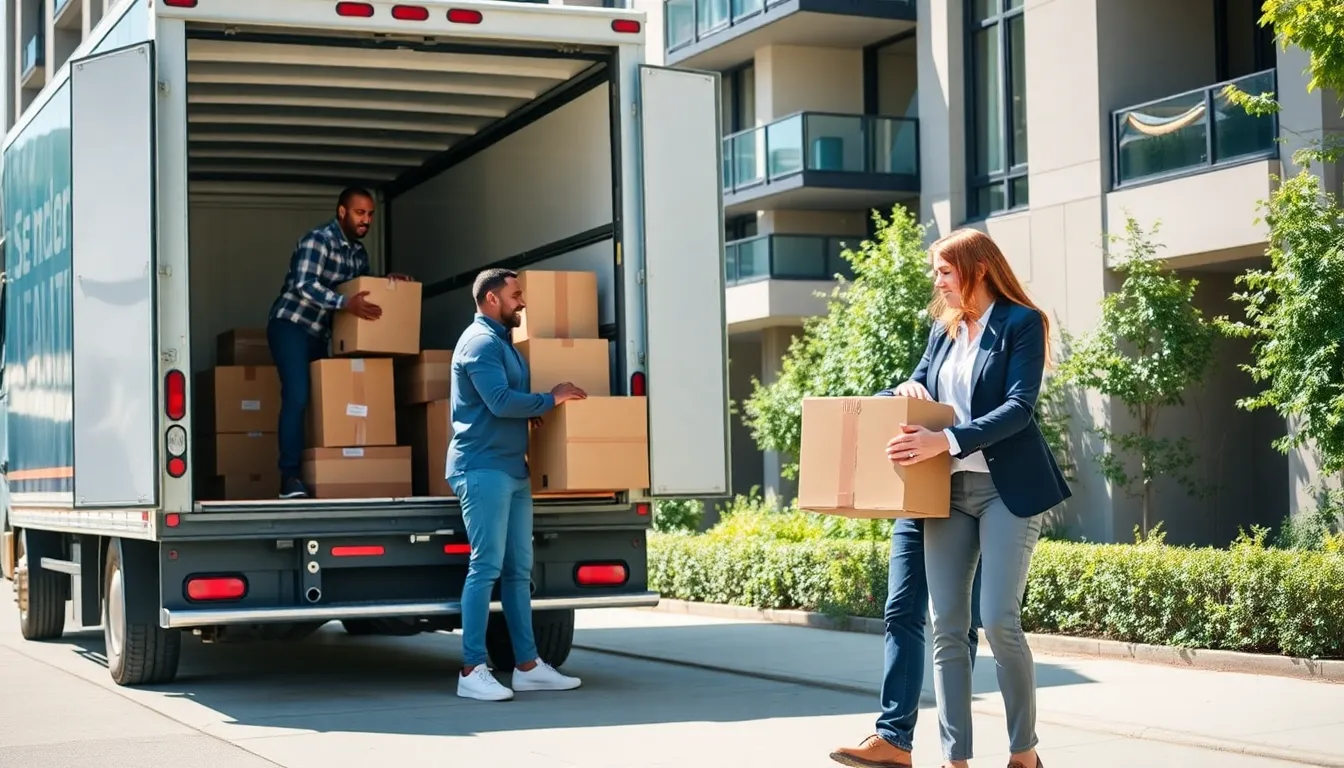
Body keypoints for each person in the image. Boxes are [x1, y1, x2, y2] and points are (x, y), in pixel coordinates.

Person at [884, 228, 1070, 768]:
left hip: (1005, 491)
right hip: (948, 491)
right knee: (946, 626)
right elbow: (919, 382)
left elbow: (1018, 408)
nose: (937, 281)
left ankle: (1023, 752)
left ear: (978, 268)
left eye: (945, 270)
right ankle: (955, 759)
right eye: (936, 272)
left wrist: (947, 439)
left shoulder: (1020, 323)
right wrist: (908, 389)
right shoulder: (944, 331)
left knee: (999, 622)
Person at [447, 267, 589, 702]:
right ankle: (472, 669)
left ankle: (527, 666)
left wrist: (534, 408)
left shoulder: (501, 343)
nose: (522, 302)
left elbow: (507, 402)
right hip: (482, 467)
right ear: (491, 300)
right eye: (516, 295)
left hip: (511, 469)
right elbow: (499, 401)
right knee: (485, 568)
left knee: (517, 572)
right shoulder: (480, 344)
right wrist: (550, 398)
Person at [266, 187, 410, 500]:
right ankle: (289, 478)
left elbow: (361, 290)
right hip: (291, 324)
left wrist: (388, 284)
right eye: (360, 213)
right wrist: (344, 302)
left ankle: (324, 472)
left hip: (319, 333)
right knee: (298, 395)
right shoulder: (319, 240)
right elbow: (305, 285)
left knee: (323, 404)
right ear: (342, 212)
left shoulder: (358, 254)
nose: (366, 220)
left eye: (371, 214)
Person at [829, 532, 983, 768]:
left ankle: (955, 758)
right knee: (900, 611)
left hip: (966, 505)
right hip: (915, 507)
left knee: (959, 625)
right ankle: (893, 740)